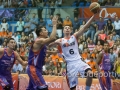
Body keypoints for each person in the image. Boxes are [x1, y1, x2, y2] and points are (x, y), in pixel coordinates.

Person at [48, 12, 100, 90]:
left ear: (71, 30)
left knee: (89, 73)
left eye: (69, 28)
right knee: (73, 88)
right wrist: (55, 42)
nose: (67, 29)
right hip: (70, 65)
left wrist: (93, 16)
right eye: (65, 28)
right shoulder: (60, 40)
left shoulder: (75, 36)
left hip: (78, 61)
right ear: (63, 31)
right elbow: (49, 45)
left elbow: (85, 27)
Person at [26, 16, 58, 90]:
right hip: (33, 68)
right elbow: (52, 38)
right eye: (45, 30)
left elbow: (41, 52)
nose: (47, 31)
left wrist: (51, 52)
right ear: (41, 33)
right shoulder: (38, 41)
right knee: (43, 88)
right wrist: (54, 25)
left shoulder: (42, 44)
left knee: (31, 88)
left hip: (37, 69)